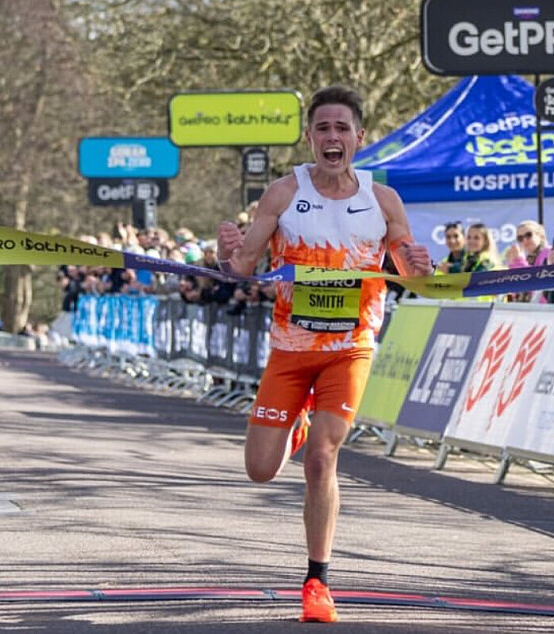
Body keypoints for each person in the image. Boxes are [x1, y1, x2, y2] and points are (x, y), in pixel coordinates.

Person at [215, 86, 433, 624]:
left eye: (342, 128)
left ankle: (318, 581)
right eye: (322, 128)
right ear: (309, 137)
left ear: (359, 136)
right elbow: (242, 268)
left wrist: (421, 266)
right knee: (260, 470)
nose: (332, 137)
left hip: (350, 348)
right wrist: (227, 253)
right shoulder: (284, 193)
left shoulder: (383, 200)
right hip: (291, 349)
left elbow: (410, 271)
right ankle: (296, 422)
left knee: (321, 459)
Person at [506, 220, 552, 303]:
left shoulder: (548, 252)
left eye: (528, 235)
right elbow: (514, 290)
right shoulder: (528, 259)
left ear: (540, 235)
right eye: (520, 238)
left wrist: (518, 262)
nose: (525, 240)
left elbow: (537, 283)